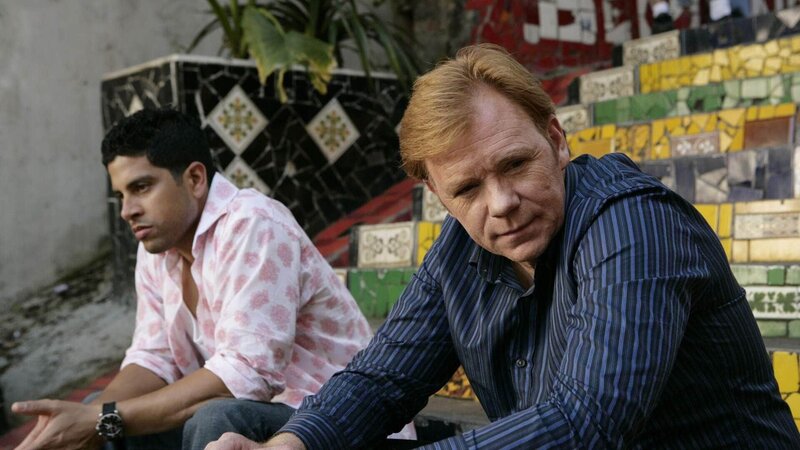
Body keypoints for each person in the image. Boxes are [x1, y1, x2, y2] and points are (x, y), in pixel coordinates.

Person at [207, 44, 800, 449]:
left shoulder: (632, 224)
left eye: (515, 164)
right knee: (234, 425)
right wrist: (293, 443)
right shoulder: (461, 250)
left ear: (556, 140)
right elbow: (381, 380)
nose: (501, 203)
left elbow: (585, 424)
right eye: (467, 188)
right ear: (438, 194)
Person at [10, 108, 378, 450]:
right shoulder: (156, 248)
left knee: (216, 418)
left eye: (141, 187)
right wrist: (88, 417)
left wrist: (104, 418)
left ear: (195, 179)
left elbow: (246, 375)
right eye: (121, 195)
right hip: (259, 411)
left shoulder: (253, 224)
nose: (127, 211)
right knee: (102, 411)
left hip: (332, 415)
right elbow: (154, 358)